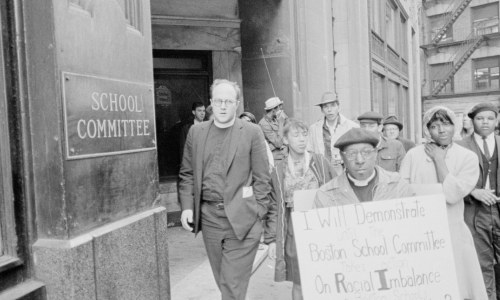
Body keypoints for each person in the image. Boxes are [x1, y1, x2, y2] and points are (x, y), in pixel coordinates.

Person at [179, 79, 271, 300]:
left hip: (242, 220)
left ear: (237, 104)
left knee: (231, 286)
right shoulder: (196, 132)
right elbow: (187, 173)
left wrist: (258, 213)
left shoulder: (252, 131)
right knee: (226, 284)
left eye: (228, 101)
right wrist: (187, 207)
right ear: (211, 102)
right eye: (218, 101)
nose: (222, 106)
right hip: (209, 218)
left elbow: (262, 178)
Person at [399, 106, 487, 300]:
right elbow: (400, 191)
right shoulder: (413, 155)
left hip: (453, 230)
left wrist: (439, 160)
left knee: (457, 286)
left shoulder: (467, 157)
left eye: (446, 124)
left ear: (454, 126)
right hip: (419, 233)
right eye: (434, 126)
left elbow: (453, 194)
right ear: (427, 129)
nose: (441, 130)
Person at [265, 119, 336, 300]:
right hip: (293, 231)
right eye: (295, 135)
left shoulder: (320, 162)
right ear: (286, 140)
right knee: (299, 280)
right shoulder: (279, 170)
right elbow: (273, 207)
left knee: (324, 277)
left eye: (304, 134)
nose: (301, 139)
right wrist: (272, 240)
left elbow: (336, 189)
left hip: (321, 227)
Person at [457, 102, 500, 300]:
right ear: (472, 121)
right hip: (474, 212)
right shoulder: (459, 146)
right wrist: (473, 191)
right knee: (481, 261)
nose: (485, 123)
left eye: (490, 118)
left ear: (496, 120)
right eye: (480, 118)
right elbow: (451, 178)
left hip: (498, 210)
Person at [313, 128, 414, 207]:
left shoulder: (397, 186)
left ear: (375, 153)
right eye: (351, 154)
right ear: (342, 156)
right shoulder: (326, 195)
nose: (360, 160)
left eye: (366, 152)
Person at [308, 92, 359, 174]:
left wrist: (343, 159)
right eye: (325, 107)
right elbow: (309, 153)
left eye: (332, 105)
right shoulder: (314, 129)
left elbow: (357, 152)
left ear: (339, 107)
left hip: (346, 173)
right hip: (322, 174)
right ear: (322, 110)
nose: (329, 110)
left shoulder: (352, 127)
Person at [259, 97, 286, 163]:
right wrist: (281, 123)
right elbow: (279, 143)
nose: (281, 110)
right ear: (274, 110)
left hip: (283, 156)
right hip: (274, 159)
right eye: (279, 108)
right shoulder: (264, 124)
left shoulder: (276, 119)